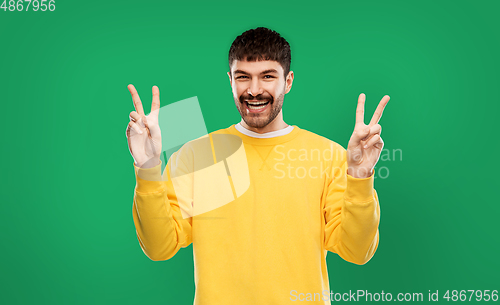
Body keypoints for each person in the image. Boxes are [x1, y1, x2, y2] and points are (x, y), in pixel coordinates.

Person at [126, 27, 389, 304]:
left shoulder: (328, 155)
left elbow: (357, 251)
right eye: (243, 77)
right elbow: (159, 247)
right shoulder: (197, 154)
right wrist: (148, 166)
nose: (253, 90)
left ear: (287, 81)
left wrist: (360, 176)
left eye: (267, 76)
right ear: (230, 80)